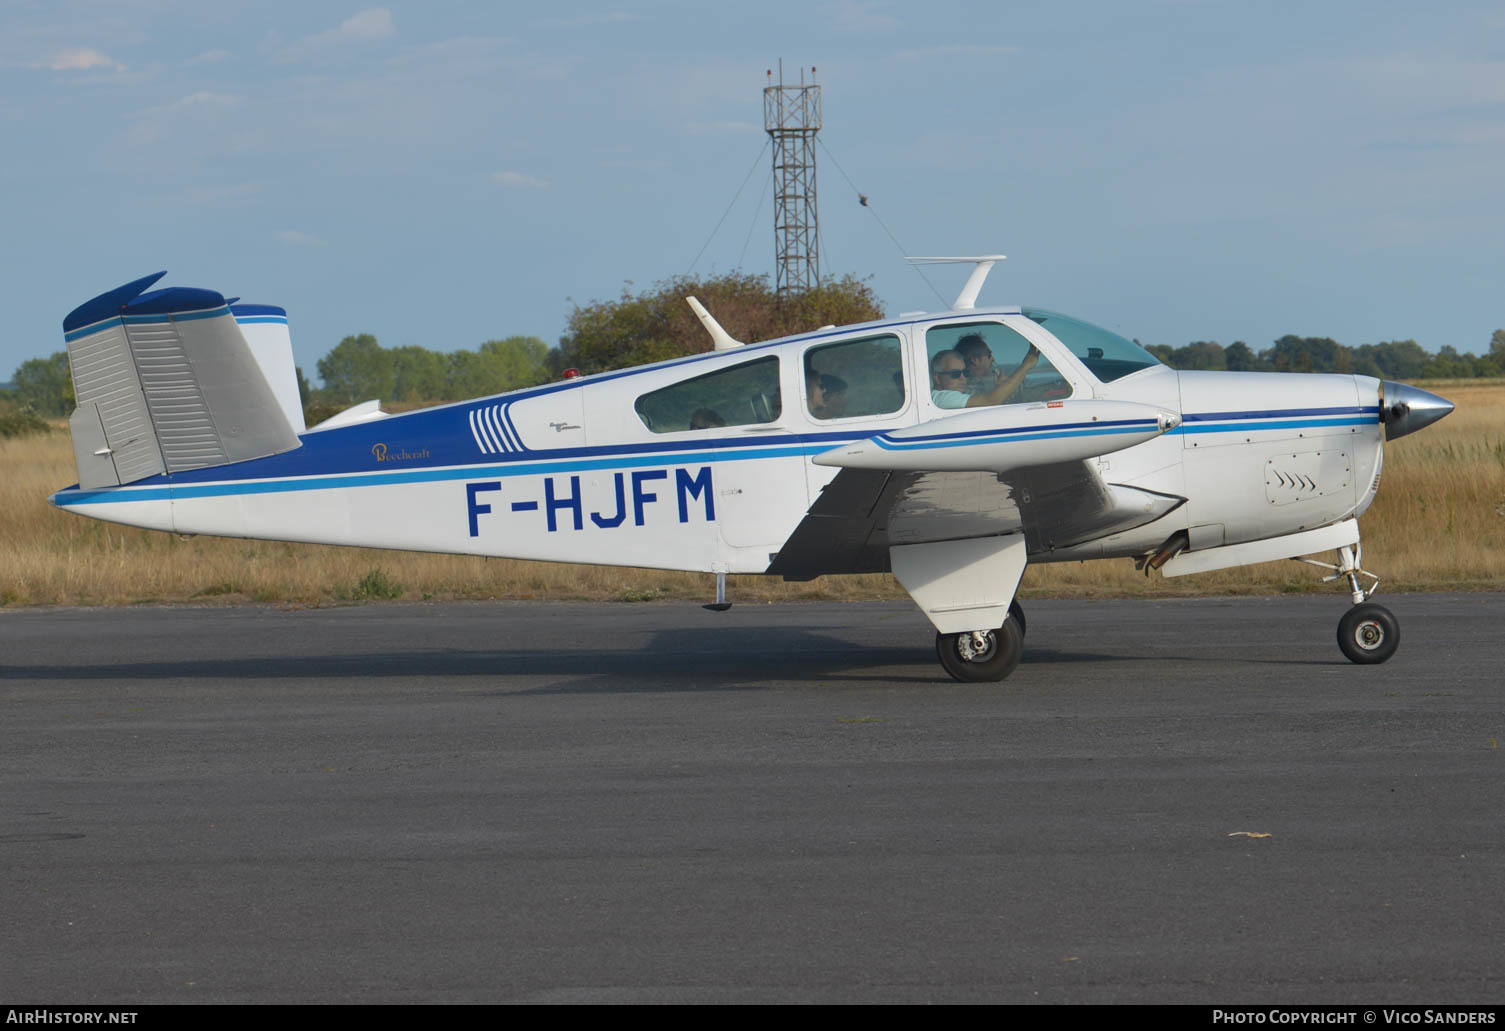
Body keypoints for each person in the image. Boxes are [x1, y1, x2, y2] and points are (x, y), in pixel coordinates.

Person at [930, 345, 1040, 409]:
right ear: (937, 378)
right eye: (955, 374)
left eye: (965, 372)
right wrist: (1026, 366)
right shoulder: (942, 398)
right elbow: (991, 401)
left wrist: (1000, 388)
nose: (963, 378)